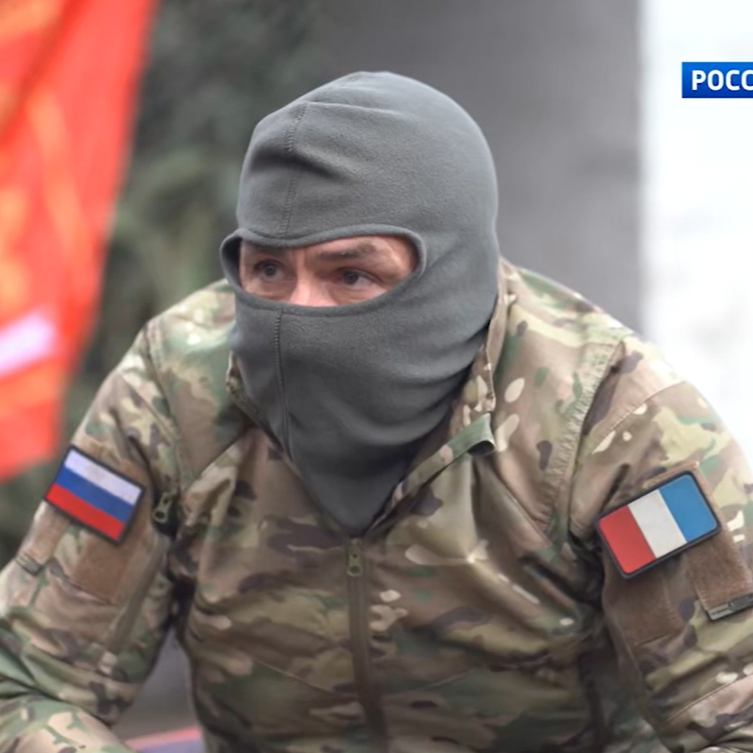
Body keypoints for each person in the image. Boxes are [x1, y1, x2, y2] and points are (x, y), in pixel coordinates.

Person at [0, 71, 751, 753]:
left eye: (351, 275)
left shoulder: (607, 419)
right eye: (268, 269)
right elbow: (28, 685)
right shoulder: (174, 393)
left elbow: (735, 719)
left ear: (449, 277)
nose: (296, 316)